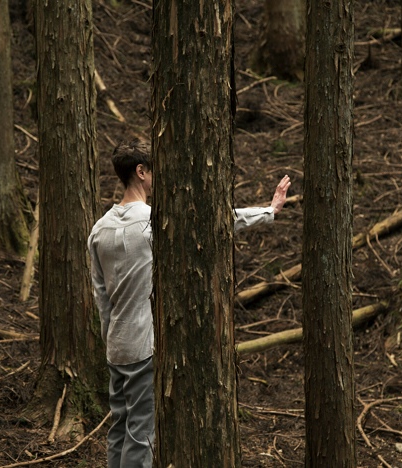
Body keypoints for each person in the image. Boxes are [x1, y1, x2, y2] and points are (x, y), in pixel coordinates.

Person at [88, 140, 291, 468]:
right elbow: (213, 221)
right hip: (144, 345)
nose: (158, 180)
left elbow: (101, 298)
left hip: (116, 345)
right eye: (154, 172)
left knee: (119, 429)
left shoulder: (98, 230)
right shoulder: (151, 224)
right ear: (141, 172)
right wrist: (268, 212)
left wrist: (108, 340)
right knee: (140, 434)